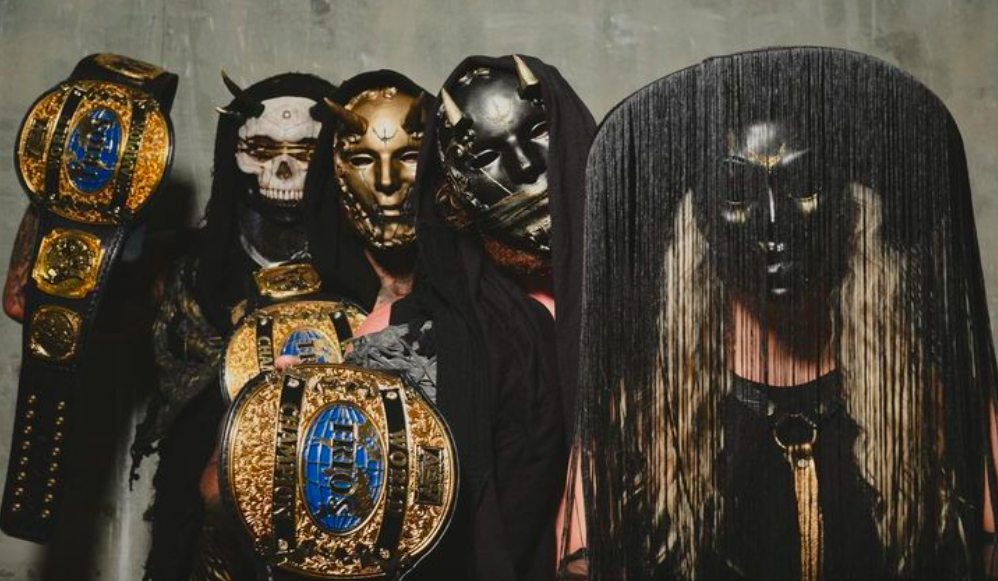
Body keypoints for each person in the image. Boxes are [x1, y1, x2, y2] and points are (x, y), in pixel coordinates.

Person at [569, 46, 998, 581]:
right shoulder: (638, 410)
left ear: (851, 207)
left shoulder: (934, 395)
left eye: (805, 186)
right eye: (737, 192)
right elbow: (580, 563)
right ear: (699, 221)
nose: (774, 223)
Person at [137, 71, 376, 581]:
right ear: (234, 153)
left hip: (334, 517)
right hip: (197, 528)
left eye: (305, 152)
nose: (283, 169)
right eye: (262, 149)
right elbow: (32, 299)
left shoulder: (369, 271)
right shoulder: (185, 267)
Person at [378, 54, 595, 581]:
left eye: (538, 132)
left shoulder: (670, 303)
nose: (523, 167)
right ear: (453, 194)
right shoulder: (408, 337)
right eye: (486, 155)